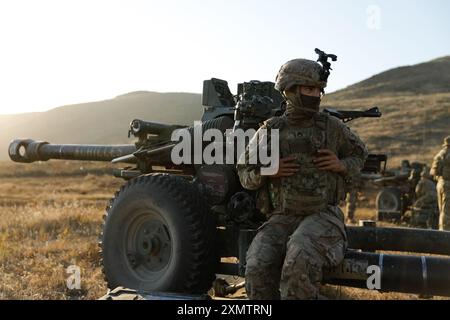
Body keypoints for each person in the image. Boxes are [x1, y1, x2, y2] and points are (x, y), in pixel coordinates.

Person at [237, 56, 368, 300]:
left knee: (298, 262)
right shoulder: (270, 129)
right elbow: (244, 171)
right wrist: (268, 171)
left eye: (318, 90)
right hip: (282, 218)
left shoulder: (332, 127)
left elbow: (361, 155)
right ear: (290, 90)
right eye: (309, 89)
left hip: (323, 216)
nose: (315, 95)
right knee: (256, 267)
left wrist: (341, 165)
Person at [430, 136, 450, 231]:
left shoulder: (440, 154)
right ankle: (446, 235)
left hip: (440, 183)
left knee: (442, 210)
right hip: (448, 185)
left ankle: (442, 231)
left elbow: (433, 172)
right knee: (447, 211)